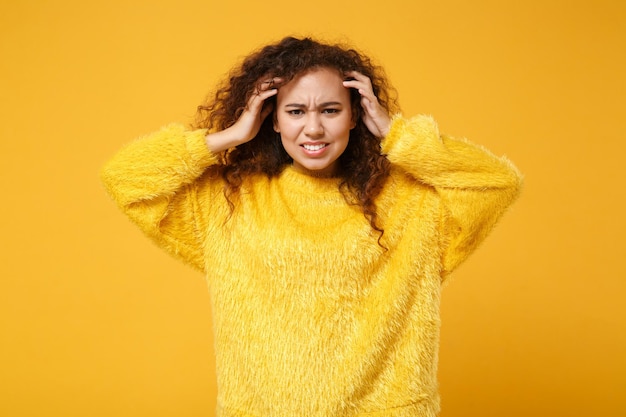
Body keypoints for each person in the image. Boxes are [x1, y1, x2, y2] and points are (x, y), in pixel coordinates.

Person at [101, 36, 522, 417]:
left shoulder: (410, 202)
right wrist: (229, 135)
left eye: (331, 110)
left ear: (356, 116)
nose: (314, 127)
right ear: (273, 119)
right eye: (296, 111)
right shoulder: (230, 201)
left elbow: (496, 183)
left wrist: (398, 135)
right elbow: (125, 178)